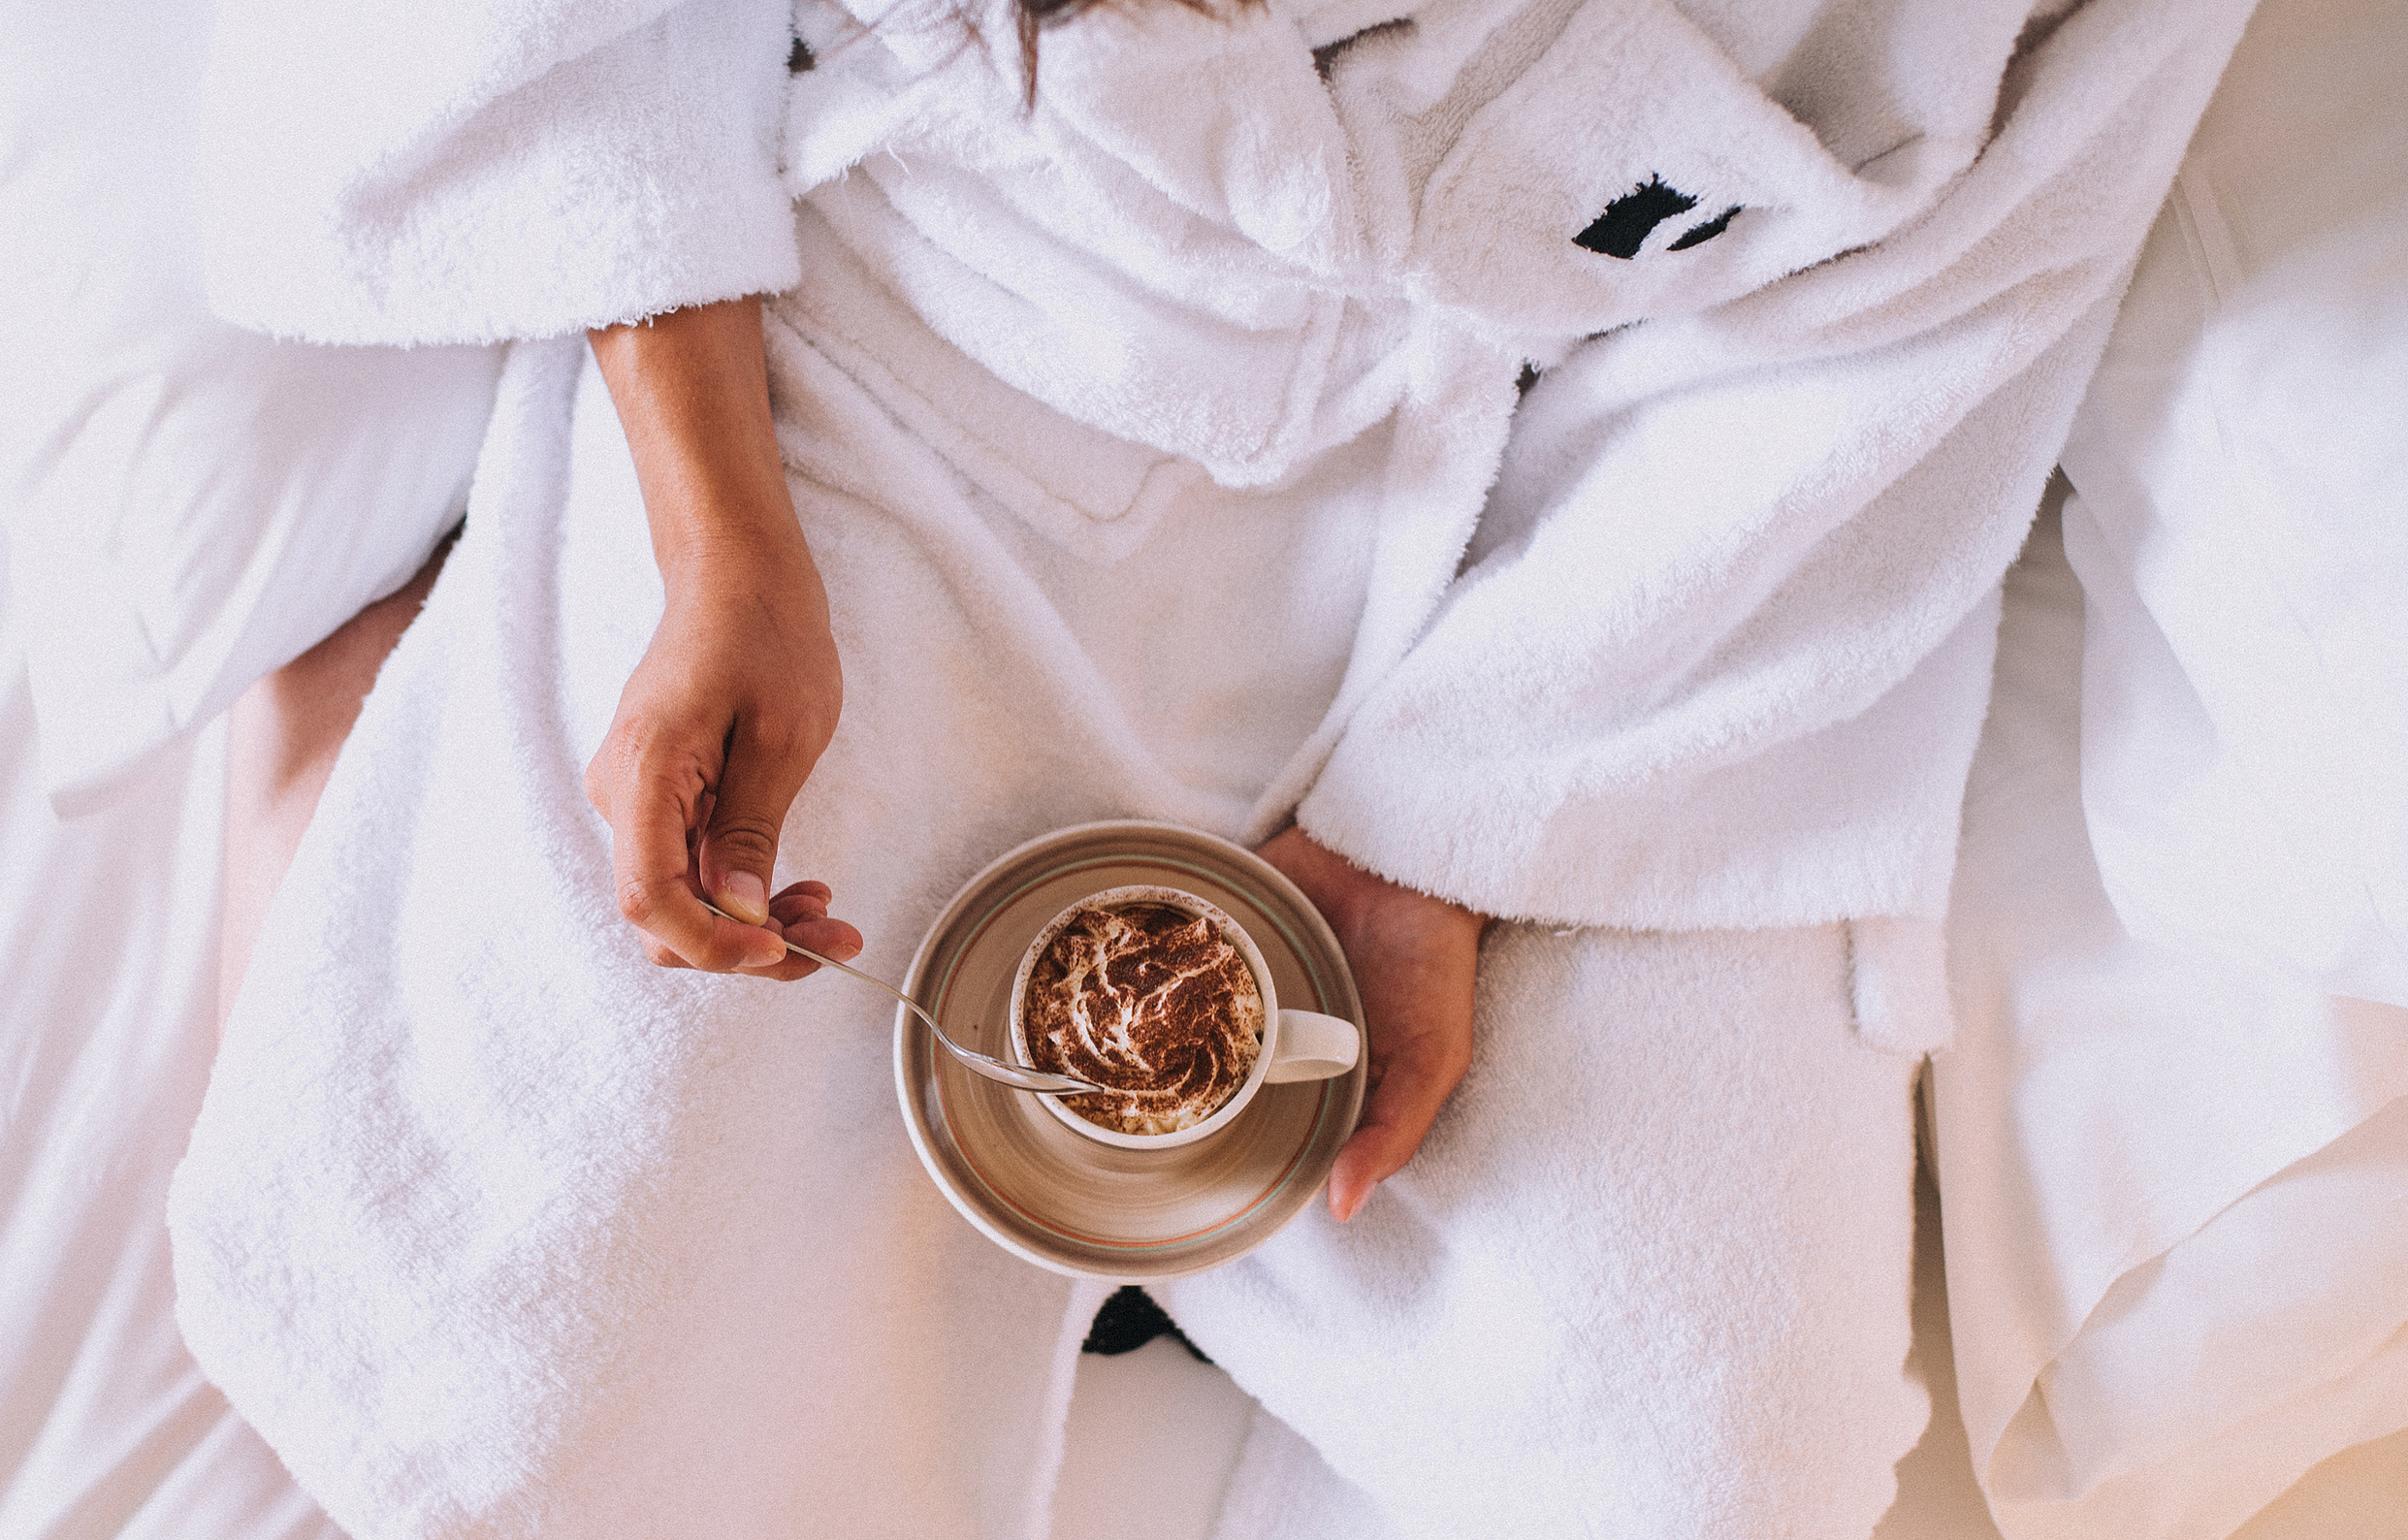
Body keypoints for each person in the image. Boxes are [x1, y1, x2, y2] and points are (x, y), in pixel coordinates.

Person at [176, 2, 2252, 1535]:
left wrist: (1453, 833)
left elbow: (1929, 309)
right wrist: (723, 547)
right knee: (515, 1376)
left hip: (1579, 518)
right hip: (924, 343)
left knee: (1701, 1462)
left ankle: (1156, 1281)